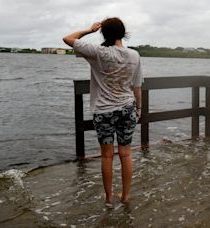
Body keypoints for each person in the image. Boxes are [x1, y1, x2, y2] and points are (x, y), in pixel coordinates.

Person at [63, 17, 143, 206]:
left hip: (104, 111)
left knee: (107, 156)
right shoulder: (134, 55)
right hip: (128, 108)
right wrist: (139, 108)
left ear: (104, 33)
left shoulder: (98, 52)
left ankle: (108, 198)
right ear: (123, 33)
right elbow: (137, 86)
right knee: (126, 154)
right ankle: (125, 196)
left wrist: (90, 30)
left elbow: (67, 38)